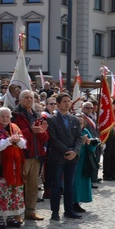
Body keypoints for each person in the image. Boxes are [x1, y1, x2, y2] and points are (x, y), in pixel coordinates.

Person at [0, 107, 26, 229]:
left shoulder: (15, 127)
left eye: (7, 116)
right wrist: (8, 141)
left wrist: (18, 141)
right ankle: (0, 218)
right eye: (2, 116)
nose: (5, 119)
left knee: (12, 192)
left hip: (13, 166)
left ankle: (11, 217)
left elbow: (23, 144)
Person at [45, 92, 83, 221]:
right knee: (56, 185)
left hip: (73, 157)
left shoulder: (75, 119)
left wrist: (75, 152)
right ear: (59, 104)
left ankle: (69, 210)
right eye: (65, 101)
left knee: (69, 184)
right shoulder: (52, 119)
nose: (67, 104)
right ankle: (55, 211)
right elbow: (54, 139)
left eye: (69, 101)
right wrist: (67, 151)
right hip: (58, 157)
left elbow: (79, 137)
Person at [13, 90, 49, 221]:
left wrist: (41, 132)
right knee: (19, 185)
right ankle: (16, 212)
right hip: (22, 154)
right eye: (26, 98)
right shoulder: (14, 115)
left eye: (31, 98)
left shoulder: (37, 115)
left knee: (33, 186)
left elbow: (45, 137)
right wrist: (30, 131)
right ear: (20, 99)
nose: (29, 100)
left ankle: (30, 211)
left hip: (36, 155)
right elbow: (14, 134)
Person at [73, 114, 98, 213]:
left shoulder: (86, 131)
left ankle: (79, 201)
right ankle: (74, 202)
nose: (80, 124)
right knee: (75, 182)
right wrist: (82, 143)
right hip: (75, 160)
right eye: (78, 123)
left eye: (81, 123)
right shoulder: (72, 132)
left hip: (84, 160)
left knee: (82, 181)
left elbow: (92, 147)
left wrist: (90, 143)